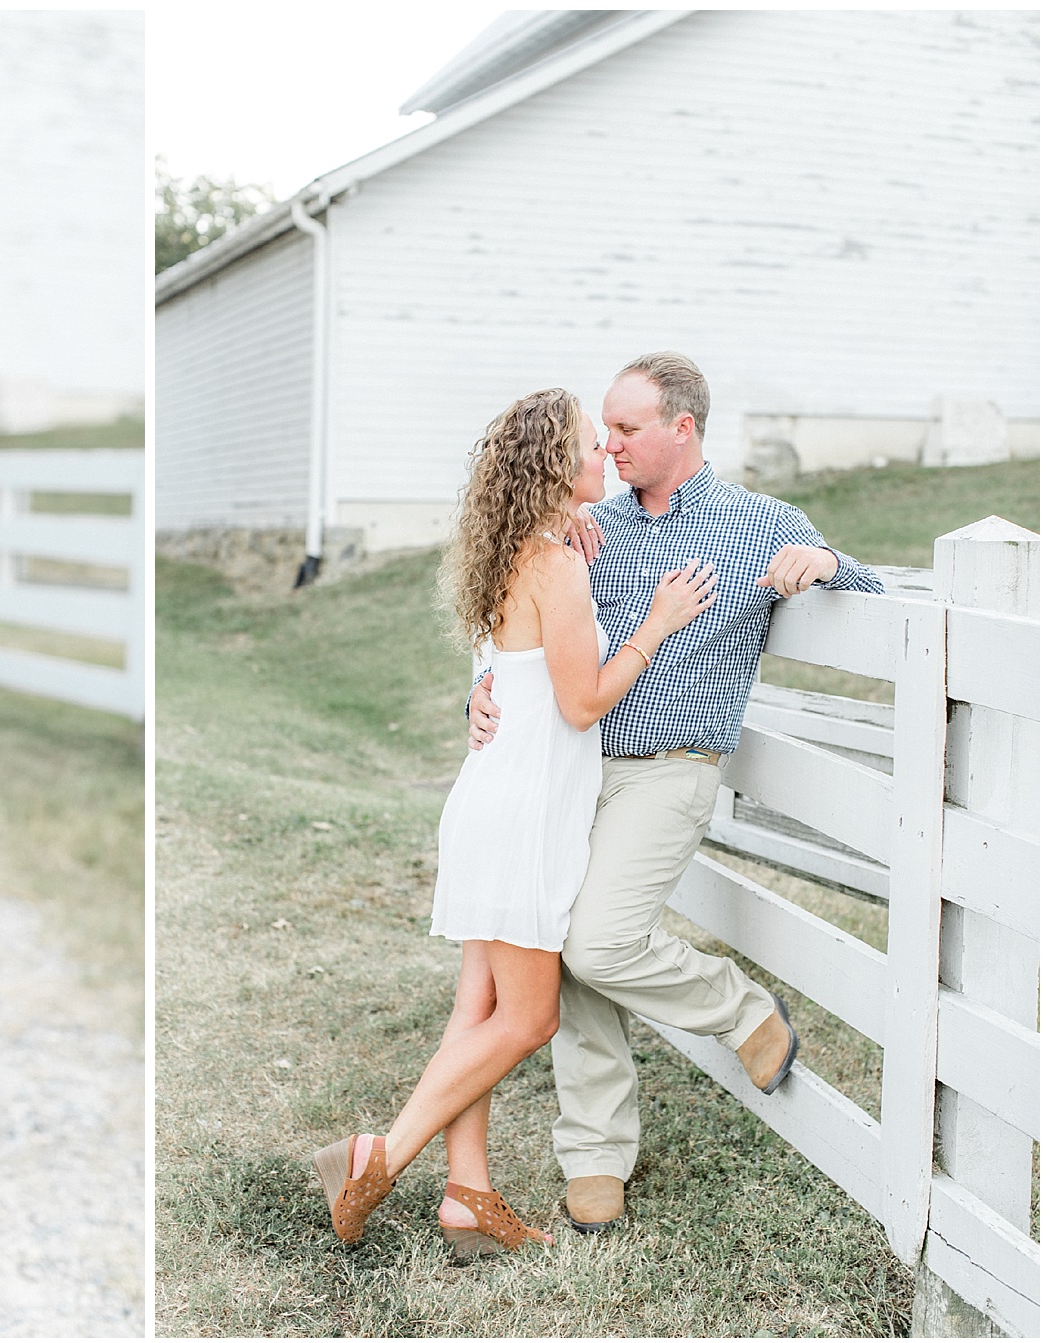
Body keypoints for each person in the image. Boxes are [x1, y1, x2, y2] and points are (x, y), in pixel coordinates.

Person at [466, 352, 884, 1235]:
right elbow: (528, 631)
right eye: (604, 431)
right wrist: (482, 687)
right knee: (563, 951)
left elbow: (875, 595)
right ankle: (594, 1155)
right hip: (574, 767)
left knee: (601, 942)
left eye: (626, 429)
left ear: (681, 428)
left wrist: (829, 561)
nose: (609, 446)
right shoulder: (591, 529)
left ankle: (740, 1010)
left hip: (673, 769)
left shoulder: (759, 523)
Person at [312, 387, 717, 1254]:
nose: (602, 454)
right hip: (528, 812)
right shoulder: (559, 565)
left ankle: (469, 1197)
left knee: (481, 1007)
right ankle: (376, 1155)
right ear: (551, 468)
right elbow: (581, 704)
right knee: (528, 1020)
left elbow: (516, 673)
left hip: (491, 798)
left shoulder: (516, 553)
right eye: (585, 445)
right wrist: (654, 623)